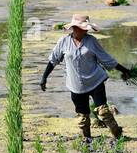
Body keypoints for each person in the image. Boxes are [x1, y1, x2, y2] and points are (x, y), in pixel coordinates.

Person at [40, 13, 131, 141]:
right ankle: (87, 140)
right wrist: (44, 78)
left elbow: (106, 59)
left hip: (95, 81)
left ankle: (118, 136)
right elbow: (53, 60)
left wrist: (124, 70)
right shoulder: (64, 42)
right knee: (83, 118)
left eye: (85, 28)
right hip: (76, 85)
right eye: (82, 28)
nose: (85, 30)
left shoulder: (91, 41)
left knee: (104, 112)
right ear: (74, 28)